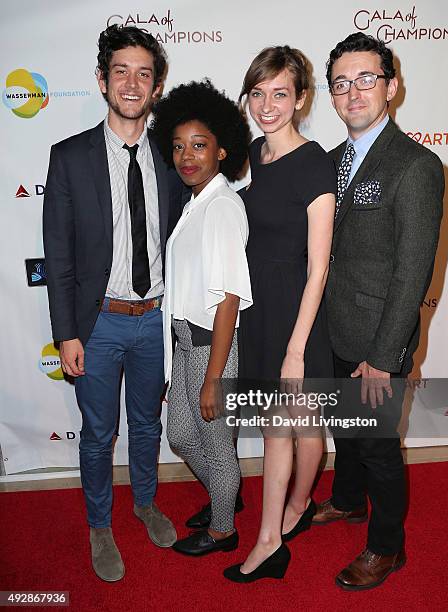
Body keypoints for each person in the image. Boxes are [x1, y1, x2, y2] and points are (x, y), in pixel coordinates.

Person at [43, 25, 186, 582]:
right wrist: (67, 333)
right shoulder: (70, 157)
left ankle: (145, 503)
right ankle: (100, 524)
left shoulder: (175, 157)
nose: (132, 82)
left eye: (143, 73)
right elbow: (58, 254)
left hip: (154, 321)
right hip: (97, 323)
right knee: (99, 434)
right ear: (102, 80)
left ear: (156, 86)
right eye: (121, 71)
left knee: (147, 426)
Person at [313, 32, 444, 591]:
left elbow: (411, 273)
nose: (352, 92)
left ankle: (389, 548)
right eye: (341, 83)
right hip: (335, 328)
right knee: (346, 431)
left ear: (391, 87)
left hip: (378, 340)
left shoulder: (415, 166)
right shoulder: (331, 161)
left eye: (366, 78)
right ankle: (347, 500)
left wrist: (384, 358)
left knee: (379, 446)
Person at [223, 46, 336, 583]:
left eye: (280, 94)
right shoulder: (254, 153)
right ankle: (300, 506)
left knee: (280, 430)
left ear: (301, 99)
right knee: (304, 426)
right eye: (258, 93)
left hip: (298, 314)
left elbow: (318, 269)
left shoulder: (315, 163)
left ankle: (271, 538)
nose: (267, 105)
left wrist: (296, 347)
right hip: (261, 308)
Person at [151, 80, 252, 556]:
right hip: (186, 344)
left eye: (199, 145)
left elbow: (230, 296)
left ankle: (223, 529)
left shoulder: (222, 207)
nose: (186, 156)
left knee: (215, 445)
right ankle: (224, 496)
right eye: (178, 146)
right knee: (182, 437)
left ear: (222, 149)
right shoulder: (197, 203)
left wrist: (214, 377)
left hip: (212, 346)